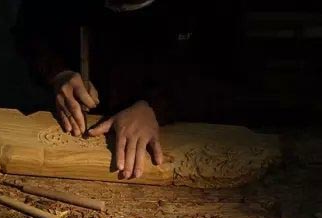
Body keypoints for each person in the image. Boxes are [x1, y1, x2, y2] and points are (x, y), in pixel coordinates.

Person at [14, 0, 239, 179]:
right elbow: (30, 32)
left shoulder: (210, 11)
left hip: (175, 127)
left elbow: (223, 77)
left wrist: (156, 107)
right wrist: (58, 73)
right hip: (84, 119)